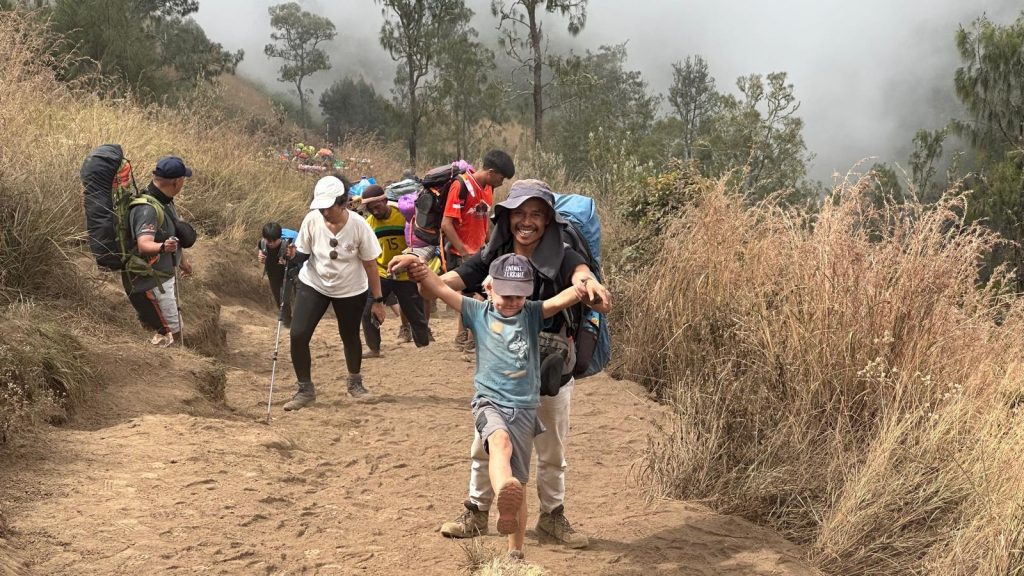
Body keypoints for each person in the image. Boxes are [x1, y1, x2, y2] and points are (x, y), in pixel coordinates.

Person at [416, 179, 611, 548]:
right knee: (483, 444)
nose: (527, 221)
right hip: (502, 378)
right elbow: (450, 282)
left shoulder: (564, 253)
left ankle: (552, 517)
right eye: (519, 213)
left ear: (548, 220)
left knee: (552, 448)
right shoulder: (495, 253)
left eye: (536, 214)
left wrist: (591, 285)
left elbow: (580, 275)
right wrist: (422, 275)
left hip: (552, 371)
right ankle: (476, 511)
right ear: (506, 218)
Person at [389, 252, 581, 561]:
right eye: (505, 294)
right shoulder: (477, 311)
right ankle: (504, 488)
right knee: (499, 444)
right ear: (488, 288)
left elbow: (560, 301)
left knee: (518, 481)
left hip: (524, 407)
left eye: (519, 295)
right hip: (489, 402)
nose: (512, 301)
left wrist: (586, 286)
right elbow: (439, 288)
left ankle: (514, 553)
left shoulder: (531, 313)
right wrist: (417, 263)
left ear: (528, 293)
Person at [281, 175, 387, 411]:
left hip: (350, 288)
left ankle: (355, 384)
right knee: (298, 334)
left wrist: (378, 300)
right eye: (320, 208)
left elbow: (371, 265)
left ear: (343, 203)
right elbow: (303, 253)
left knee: (349, 335)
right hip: (314, 283)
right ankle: (305, 389)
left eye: (328, 207)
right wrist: (290, 256)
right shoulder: (312, 220)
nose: (324, 212)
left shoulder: (360, 226)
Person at [441, 150, 516, 353]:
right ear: (491, 172)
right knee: (477, 296)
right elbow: (446, 224)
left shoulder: (488, 189)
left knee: (476, 295)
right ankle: (469, 341)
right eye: (501, 177)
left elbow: (483, 219)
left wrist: (491, 245)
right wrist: (464, 250)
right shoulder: (461, 185)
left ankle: (464, 338)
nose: (502, 182)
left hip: (482, 251)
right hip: (462, 253)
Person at [122, 155, 196, 347]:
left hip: (162, 278)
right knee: (171, 333)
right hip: (153, 283)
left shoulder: (165, 201)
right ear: (176, 181)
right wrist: (163, 247)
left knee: (173, 329)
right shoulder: (148, 209)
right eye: (183, 180)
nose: (183, 183)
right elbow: (144, 244)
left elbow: (171, 234)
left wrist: (182, 262)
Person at [358, 185, 431, 356]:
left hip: (406, 273)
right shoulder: (368, 225)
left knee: (414, 311)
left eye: (377, 206)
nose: (375, 211)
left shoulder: (404, 217)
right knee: (368, 309)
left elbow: (418, 242)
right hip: (382, 272)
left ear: (385, 201)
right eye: (370, 209)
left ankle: (423, 345)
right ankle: (374, 348)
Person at [257, 222, 299, 328]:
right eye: (268, 240)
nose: (270, 243)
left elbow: (296, 260)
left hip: (287, 274)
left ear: (279, 237)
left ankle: (292, 322)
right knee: (278, 300)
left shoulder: (287, 245)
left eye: (274, 241)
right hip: (273, 274)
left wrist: (287, 261)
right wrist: (260, 256)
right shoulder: (262, 243)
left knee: (284, 299)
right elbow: (260, 250)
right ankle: (288, 321)